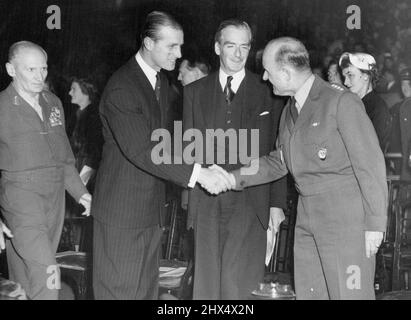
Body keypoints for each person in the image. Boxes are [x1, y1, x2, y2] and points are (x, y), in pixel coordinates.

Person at [222, 37, 388, 299]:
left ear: (286, 73)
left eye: (268, 70)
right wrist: (231, 178)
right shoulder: (289, 111)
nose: (265, 77)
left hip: (346, 222)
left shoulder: (340, 102)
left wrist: (375, 225)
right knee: (311, 294)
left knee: (350, 295)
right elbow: (279, 161)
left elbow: (371, 164)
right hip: (307, 219)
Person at [91, 11, 232, 300]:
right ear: (147, 43)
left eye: (180, 46)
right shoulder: (123, 87)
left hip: (150, 212)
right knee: (119, 293)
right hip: (123, 215)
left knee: (145, 295)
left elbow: (171, 142)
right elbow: (143, 149)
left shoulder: (161, 85)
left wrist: (209, 164)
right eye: (172, 46)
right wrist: (198, 174)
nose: (179, 54)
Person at [183, 19, 287, 300]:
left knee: (240, 285)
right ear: (218, 48)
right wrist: (189, 205)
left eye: (245, 46)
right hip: (206, 200)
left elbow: (278, 152)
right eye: (231, 46)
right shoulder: (194, 93)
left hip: (251, 200)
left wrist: (276, 204)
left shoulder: (269, 92)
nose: (238, 54)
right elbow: (188, 151)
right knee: (206, 284)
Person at [0, 41, 91, 299]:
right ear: (11, 70)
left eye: (43, 69)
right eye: (31, 70)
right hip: (20, 196)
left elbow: (64, 158)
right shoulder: (2, 107)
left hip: (54, 198)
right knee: (49, 273)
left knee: (27, 280)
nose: (40, 77)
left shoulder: (53, 103)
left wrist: (81, 194)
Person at [339, 52, 391, 151]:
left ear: (366, 76)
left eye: (350, 75)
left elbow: (373, 149)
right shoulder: (350, 104)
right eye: (344, 77)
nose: (345, 82)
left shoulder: (378, 108)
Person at [68, 77, 103, 191]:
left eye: (74, 89)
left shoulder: (94, 118)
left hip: (84, 177)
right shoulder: (76, 115)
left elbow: (94, 154)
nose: (70, 92)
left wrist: (81, 183)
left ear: (85, 92)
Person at [387, 67, 411, 179]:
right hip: (399, 156)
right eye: (403, 84)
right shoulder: (397, 108)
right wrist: (392, 157)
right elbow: (393, 134)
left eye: (408, 84)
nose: (405, 88)